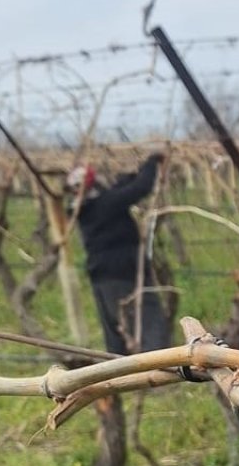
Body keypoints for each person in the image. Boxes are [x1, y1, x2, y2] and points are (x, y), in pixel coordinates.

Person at [68, 152, 172, 355]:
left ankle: (118, 368)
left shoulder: (84, 208)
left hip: (100, 273)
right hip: (124, 271)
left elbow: (118, 191)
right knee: (147, 319)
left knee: (114, 324)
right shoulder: (105, 204)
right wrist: (152, 162)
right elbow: (140, 189)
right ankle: (161, 366)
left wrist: (132, 174)